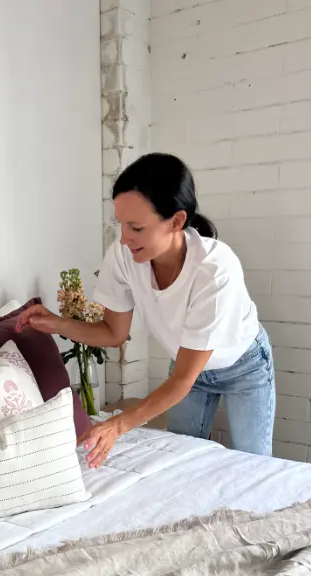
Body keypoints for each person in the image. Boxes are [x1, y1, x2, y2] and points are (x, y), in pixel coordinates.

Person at [16, 152, 275, 468]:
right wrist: (58, 324)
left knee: (254, 463)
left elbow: (181, 381)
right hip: (186, 364)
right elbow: (114, 333)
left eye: (136, 227)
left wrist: (118, 425)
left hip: (243, 366)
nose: (124, 238)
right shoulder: (125, 256)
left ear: (176, 221)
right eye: (121, 225)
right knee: (181, 458)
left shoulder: (214, 270)